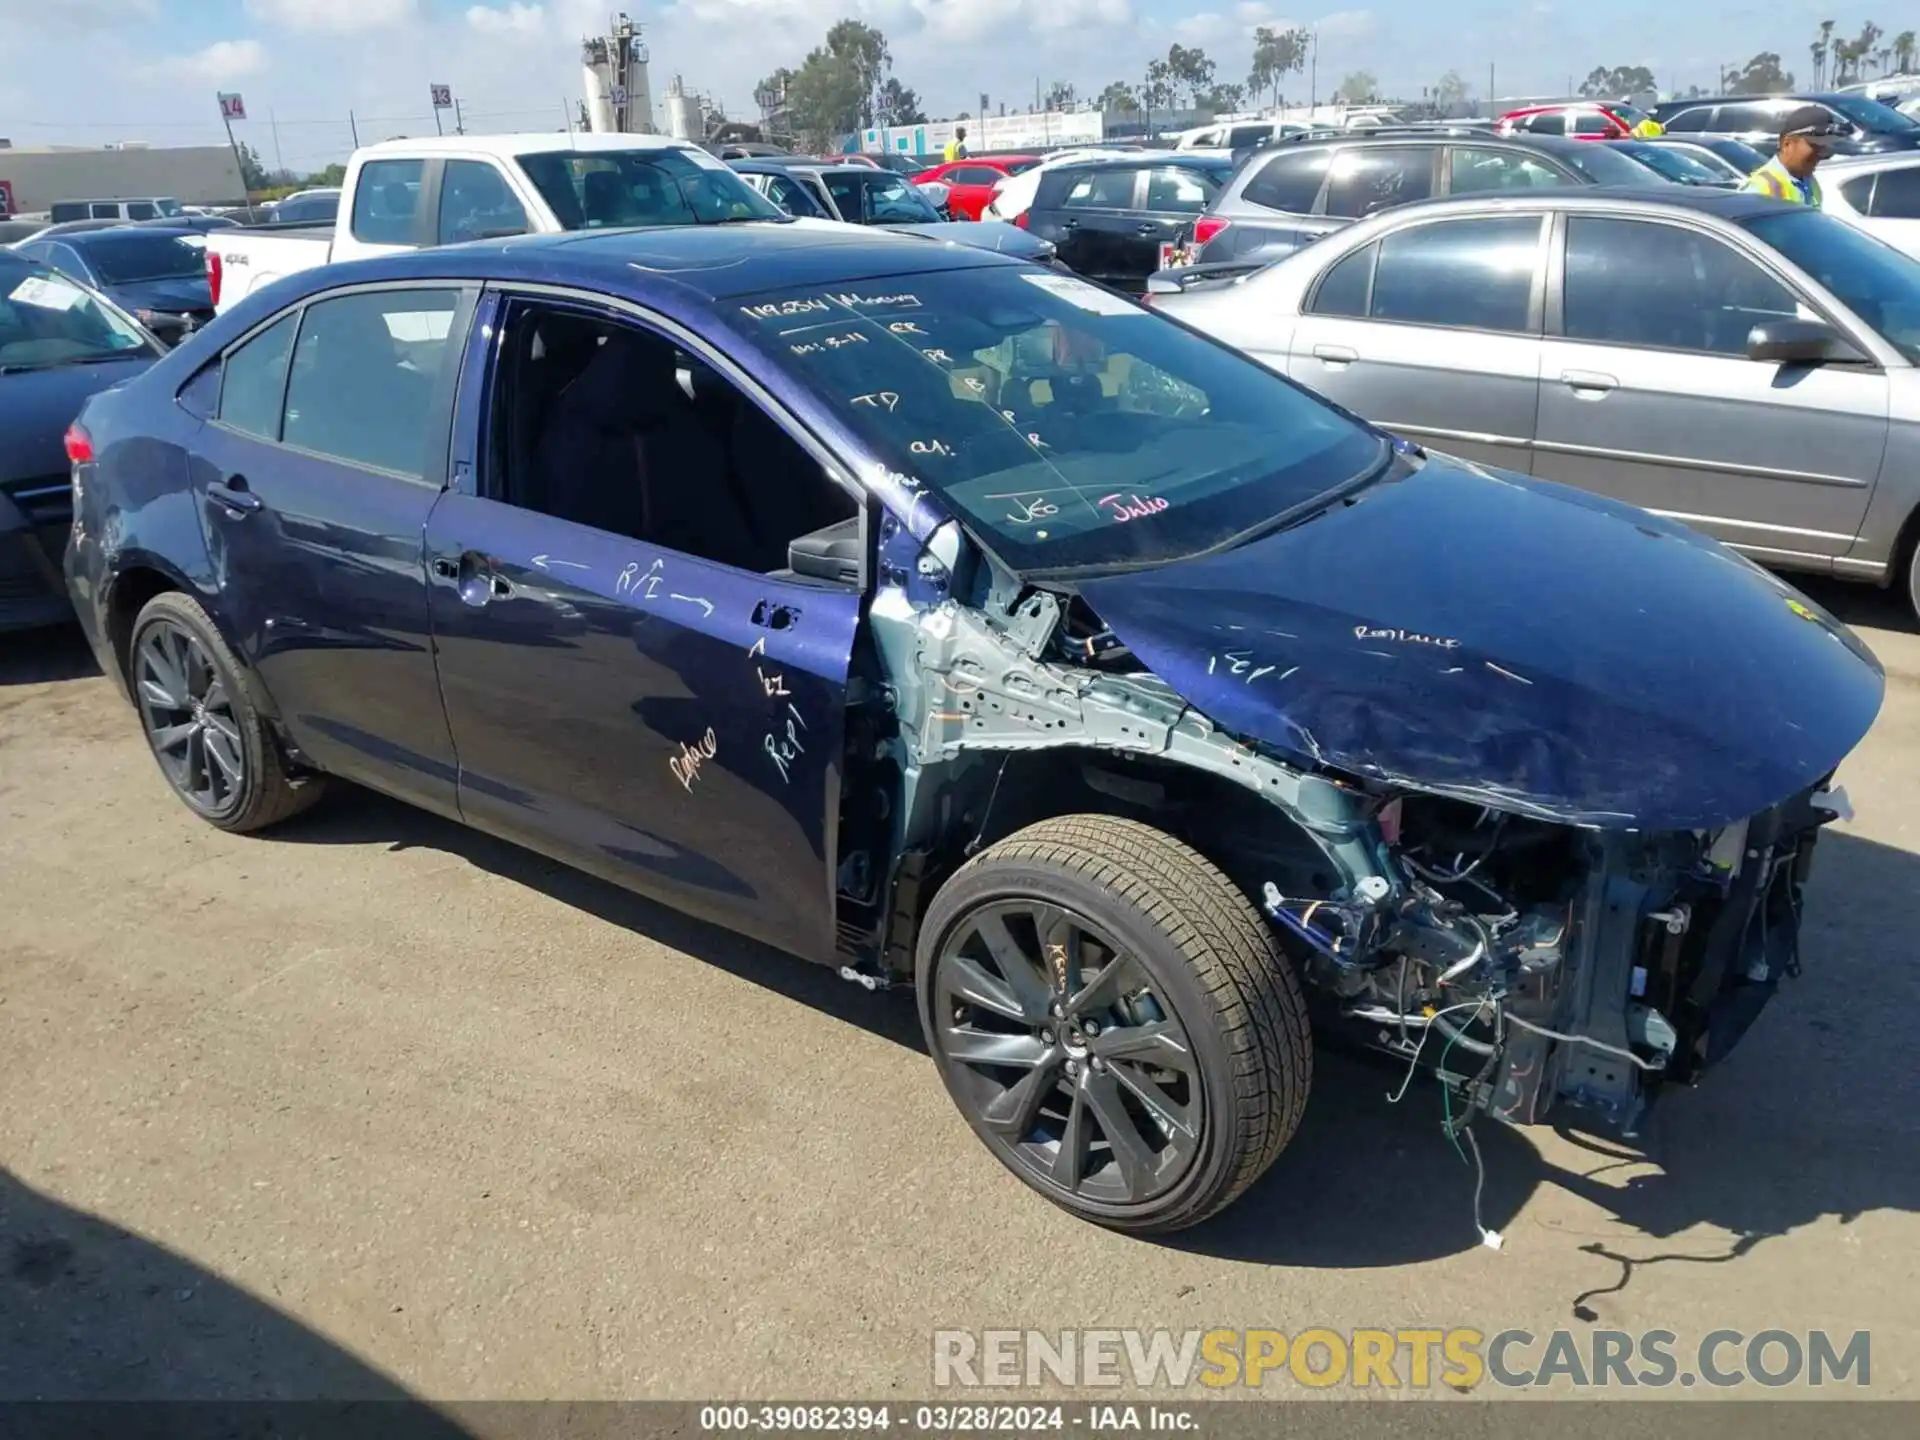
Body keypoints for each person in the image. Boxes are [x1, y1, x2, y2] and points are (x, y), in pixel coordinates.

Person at [1742, 105, 1840, 207]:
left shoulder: (1809, 181)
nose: (1820, 154)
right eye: (1814, 146)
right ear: (1787, 143)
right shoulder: (1761, 189)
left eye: (1823, 147)